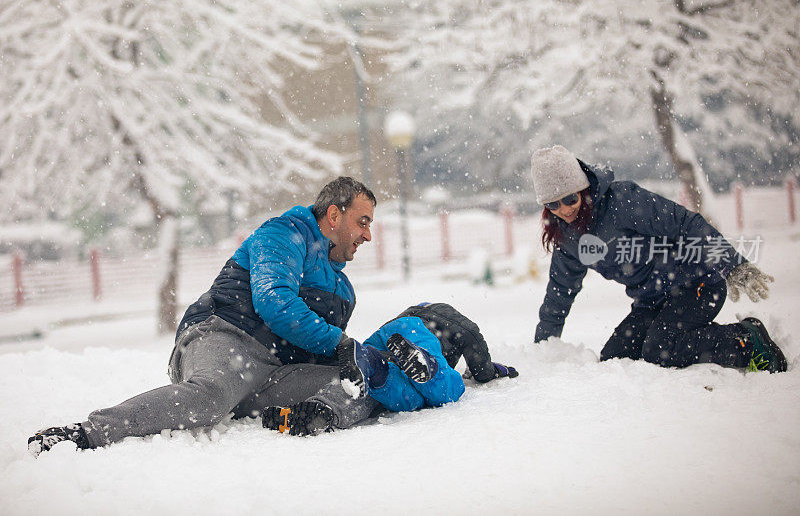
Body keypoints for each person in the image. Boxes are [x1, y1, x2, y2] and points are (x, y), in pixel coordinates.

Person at [28, 176, 381, 455]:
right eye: (362, 221)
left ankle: (307, 415)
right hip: (225, 339)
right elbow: (276, 302)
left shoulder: (343, 290)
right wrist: (340, 342)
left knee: (364, 385)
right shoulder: (284, 234)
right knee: (211, 396)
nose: (368, 235)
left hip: (274, 375)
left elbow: (323, 349)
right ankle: (88, 432)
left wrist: (361, 362)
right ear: (334, 215)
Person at [531, 145, 787, 373]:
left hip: (696, 285)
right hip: (651, 301)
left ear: (582, 188)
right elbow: (560, 289)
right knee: (615, 359)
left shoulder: (622, 201)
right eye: (553, 204)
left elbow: (687, 223)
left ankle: (747, 339)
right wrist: (544, 347)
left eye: (569, 198)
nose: (564, 209)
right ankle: (683, 336)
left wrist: (733, 265)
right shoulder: (568, 237)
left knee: (660, 350)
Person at [263, 302, 519, 435]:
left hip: (383, 348)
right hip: (412, 335)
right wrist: (490, 371)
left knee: (401, 397)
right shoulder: (442, 319)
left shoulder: (411, 323)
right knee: (450, 388)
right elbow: (476, 348)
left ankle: (323, 410)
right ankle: (421, 365)